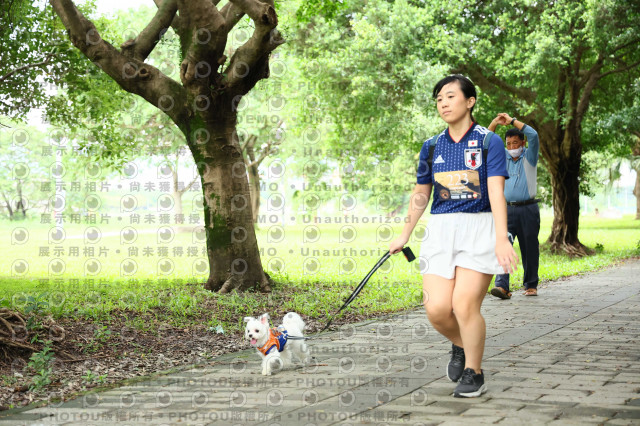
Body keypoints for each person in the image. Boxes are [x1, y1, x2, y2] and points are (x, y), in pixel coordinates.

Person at [389, 75, 518, 398]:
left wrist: (501, 238)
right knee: (436, 309)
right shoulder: (432, 145)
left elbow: (496, 192)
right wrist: (403, 235)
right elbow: (421, 193)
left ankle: (475, 372)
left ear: (470, 101)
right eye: (439, 99)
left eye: (450, 96)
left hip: (479, 228)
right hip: (440, 231)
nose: (443, 103)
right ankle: (462, 344)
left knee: (463, 305)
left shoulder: (489, 141)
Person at [487, 113, 540, 298]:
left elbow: (534, 135)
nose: (511, 147)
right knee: (503, 244)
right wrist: (494, 122)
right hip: (506, 209)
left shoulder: (530, 156)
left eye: (515, 143)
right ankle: (502, 286)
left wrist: (512, 121)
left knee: (529, 248)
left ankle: (531, 285)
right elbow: (486, 141)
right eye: (508, 144)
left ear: (522, 143)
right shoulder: (502, 156)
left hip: (528, 209)